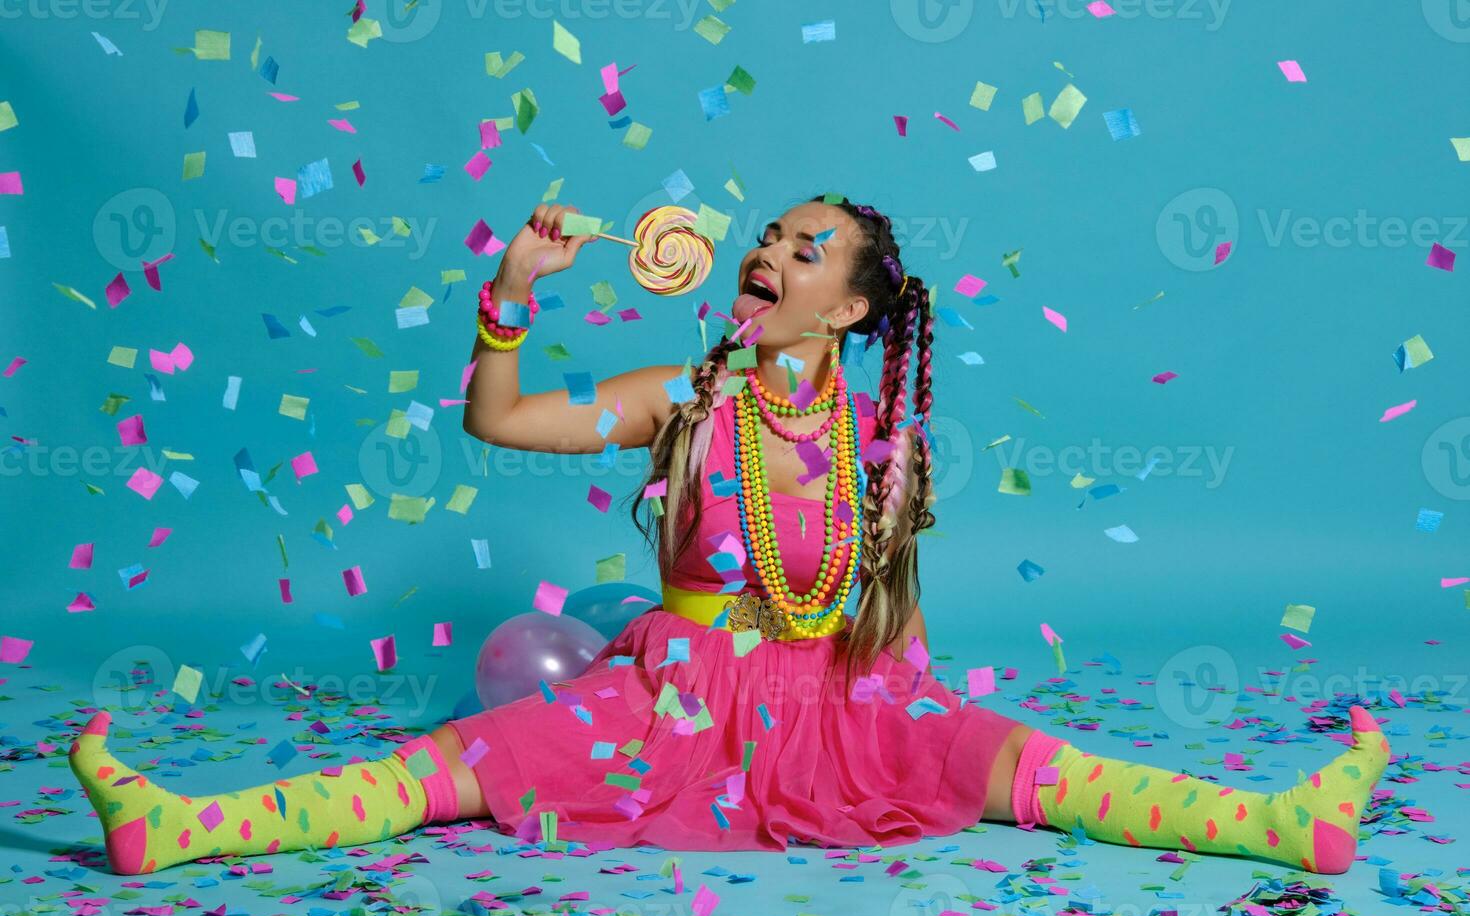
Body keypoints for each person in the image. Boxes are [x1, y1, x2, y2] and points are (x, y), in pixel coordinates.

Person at [67, 194, 1389, 876]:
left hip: (844, 693)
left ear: (855, 308)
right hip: (671, 696)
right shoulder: (679, 399)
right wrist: (510, 297)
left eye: (803, 249)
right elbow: (502, 423)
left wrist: (909, 701)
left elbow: (892, 601)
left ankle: (1288, 823)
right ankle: (182, 829)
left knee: (1036, 765)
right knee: (455, 765)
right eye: (764, 241)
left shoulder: (887, 439)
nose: (767, 253)